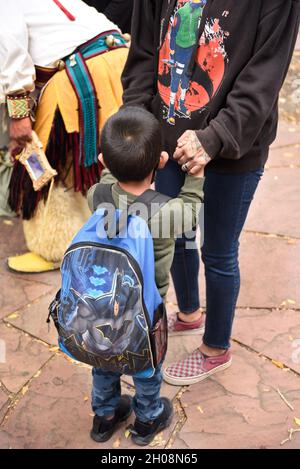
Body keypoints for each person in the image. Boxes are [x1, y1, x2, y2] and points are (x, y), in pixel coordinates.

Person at [121, 0, 300, 385]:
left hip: (235, 148)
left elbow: (263, 76)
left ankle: (216, 347)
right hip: (168, 138)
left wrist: (216, 137)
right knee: (176, 233)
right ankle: (188, 313)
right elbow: (143, 52)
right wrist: (137, 125)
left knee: (218, 251)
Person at [87, 106, 204, 445]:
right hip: (146, 312)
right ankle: (147, 422)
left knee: (104, 362)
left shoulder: (98, 196)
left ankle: (105, 416)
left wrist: (109, 167)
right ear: (162, 161)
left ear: (104, 162)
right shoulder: (169, 213)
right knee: (147, 367)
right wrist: (196, 174)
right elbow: (193, 206)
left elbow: (110, 182)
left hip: (101, 307)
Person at [0, 0, 129, 273]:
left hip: (80, 72)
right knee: (90, 162)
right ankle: (95, 237)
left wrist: (19, 113)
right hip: (116, 60)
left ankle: (54, 248)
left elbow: (11, 49)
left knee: (40, 166)